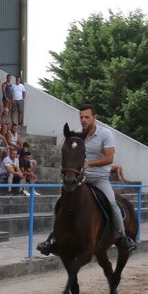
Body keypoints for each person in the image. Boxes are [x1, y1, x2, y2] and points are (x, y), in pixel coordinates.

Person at [37, 104, 136, 256]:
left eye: (87, 117)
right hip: (80, 178)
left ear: (94, 117)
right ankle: (53, 238)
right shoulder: (76, 135)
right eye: (81, 117)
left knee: (111, 202)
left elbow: (110, 158)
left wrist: (89, 163)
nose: (83, 120)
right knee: (59, 202)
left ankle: (122, 236)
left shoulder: (105, 134)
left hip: (100, 178)